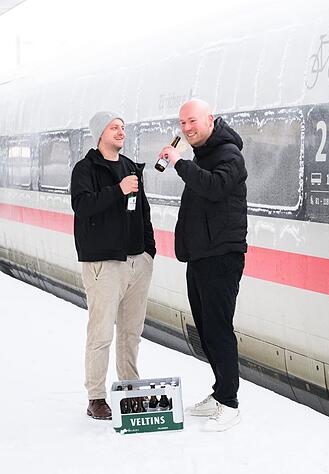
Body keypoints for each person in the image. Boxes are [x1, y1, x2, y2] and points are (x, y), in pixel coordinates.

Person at [159, 99, 247, 432]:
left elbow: (214, 188)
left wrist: (180, 162)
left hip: (222, 257)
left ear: (210, 120)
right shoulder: (204, 155)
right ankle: (220, 391)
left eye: (192, 121)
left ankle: (230, 404)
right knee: (206, 329)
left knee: (219, 329)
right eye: (182, 123)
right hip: (200, 257)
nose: (186, 128)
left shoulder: (229, 155)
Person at [70, 111, 156, 420]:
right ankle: (96, 397)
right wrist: (118, 190)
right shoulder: (86, 169)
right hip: (104, 263)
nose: (121, 132)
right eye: (114, 127)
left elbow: (143, 212)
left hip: (137, 262)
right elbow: (82, 206)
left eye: (122, 127)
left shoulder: (131, 167)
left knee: (131, 332)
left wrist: (149, 251)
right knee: (101, 332)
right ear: (100, 134)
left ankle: (130, 388)